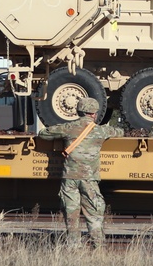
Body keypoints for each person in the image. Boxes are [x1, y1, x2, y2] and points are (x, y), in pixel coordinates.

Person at [39, 97, 123, 247]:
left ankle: (73, 247)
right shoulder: (101, 130)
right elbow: (119, 132)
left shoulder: (69, 128)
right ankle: (98, 246)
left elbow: (43, 134)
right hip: (89, 179)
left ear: (80, 111)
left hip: (69, 178)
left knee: (71, 215)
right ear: (94, 114)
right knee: (94, 214)